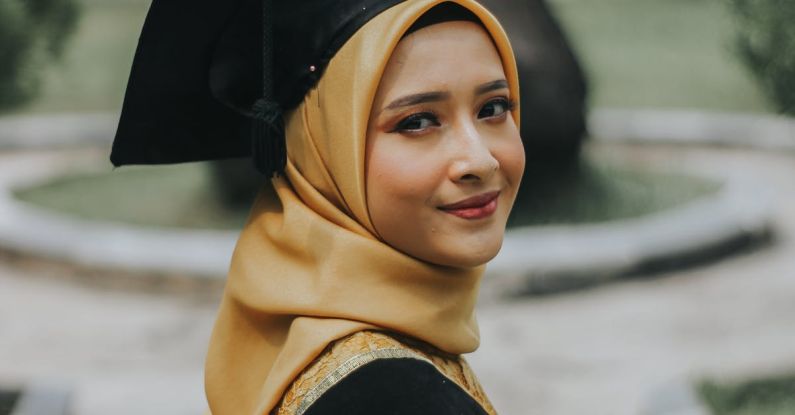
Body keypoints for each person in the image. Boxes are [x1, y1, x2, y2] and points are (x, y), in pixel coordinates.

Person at [111, 0, 524, 413]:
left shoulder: (297, 328)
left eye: (493, 108)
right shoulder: (392, 396)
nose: (480, 161)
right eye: (416, 122)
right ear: (324, 148)